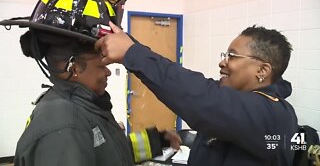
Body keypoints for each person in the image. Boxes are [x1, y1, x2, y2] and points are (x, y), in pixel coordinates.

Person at [0, 0, 180, 165]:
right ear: (74, 67)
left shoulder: (81, 106)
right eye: (102, 61)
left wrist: (157, 141)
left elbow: (109, 152)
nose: (108, 71)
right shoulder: (65, 125)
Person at [95, 21, 299, 166]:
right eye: (225, 55)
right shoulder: (238, 104)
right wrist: (128, 43)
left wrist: (132, 53)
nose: (223, 62)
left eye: (232, 56)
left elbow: (202, 97)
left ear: (262, 71)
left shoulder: (272, 114)